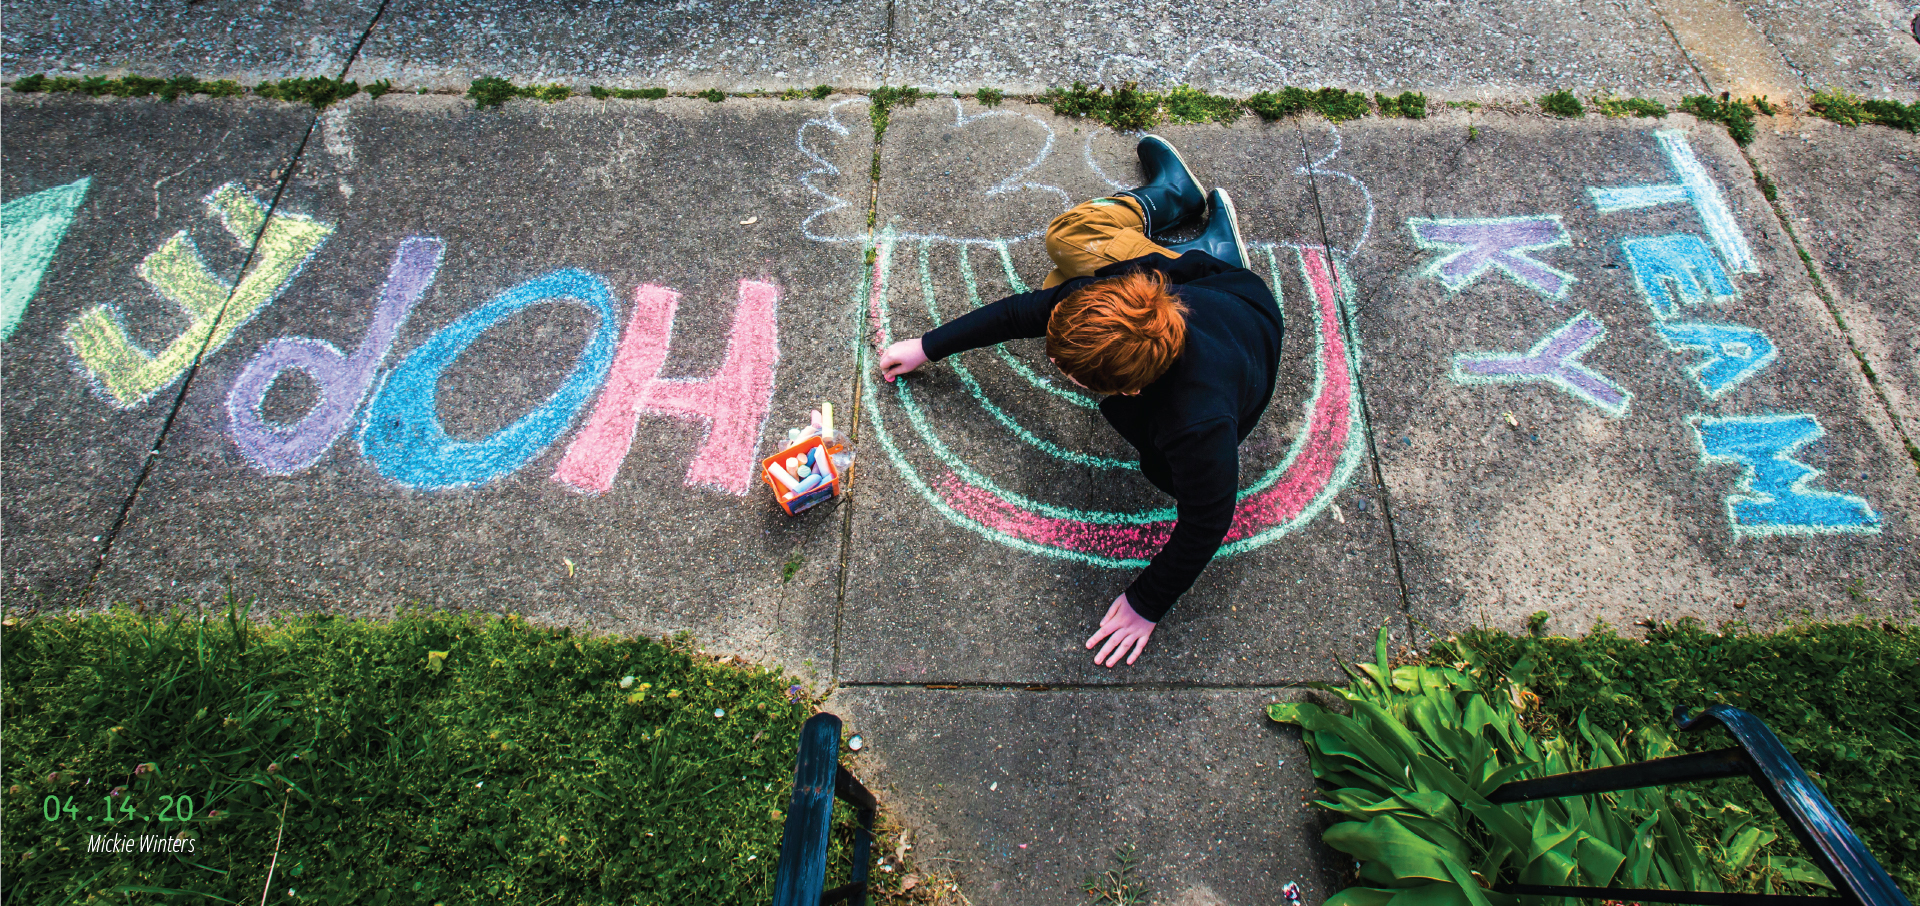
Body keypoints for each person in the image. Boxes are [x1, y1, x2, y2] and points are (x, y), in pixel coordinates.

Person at [876, 135, 1284, 668]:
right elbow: (1025, 312)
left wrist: (1146, 603)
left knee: (1068, 248)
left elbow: (1208, 520)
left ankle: (1204, 239)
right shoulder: (1118, 290)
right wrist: (928, 347)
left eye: (1066, 371)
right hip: (1210, 286)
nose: (1052, 366)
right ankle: (1191, 225)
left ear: (1132, 389)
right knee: (1063, 250)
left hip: (1239, 322)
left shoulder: (1196, 426)